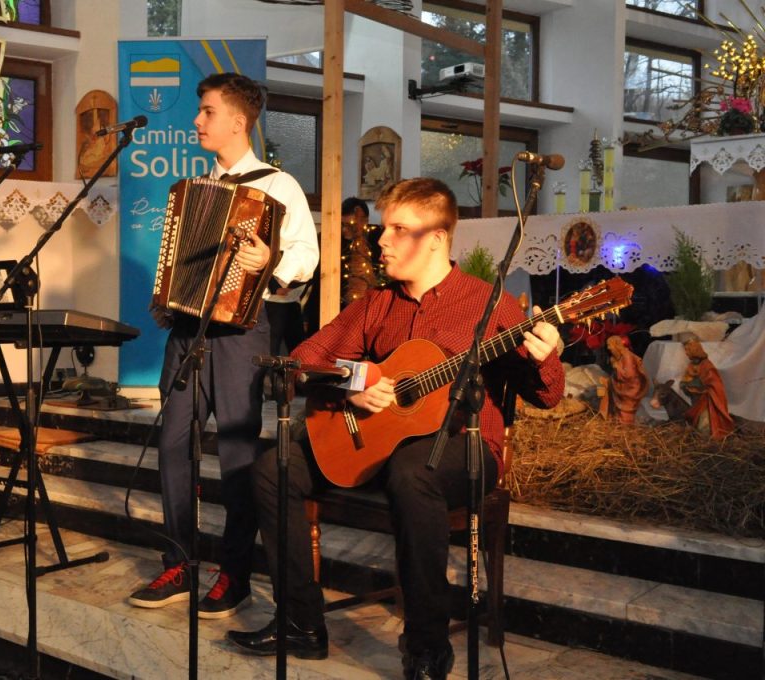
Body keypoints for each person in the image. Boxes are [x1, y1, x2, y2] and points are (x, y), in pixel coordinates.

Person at [226, 178, 564, 679]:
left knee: (413, 472)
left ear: (437, 238)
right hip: (381, 444)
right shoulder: (377, 303)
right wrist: (353, 384)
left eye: (397, 230)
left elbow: (546, 396)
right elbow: (301, 359)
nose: (380, 241)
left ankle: (426, 648)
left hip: (465, 448)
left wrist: (545, 356)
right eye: (384, 229)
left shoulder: (488, 305)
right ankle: (300, 623)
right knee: (274, 469)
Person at [129, 73, 319, 619]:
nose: (196, 121)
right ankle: (180, 562)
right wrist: (168, 292)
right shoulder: (195, 189)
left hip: (242, 333)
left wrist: (269, 261)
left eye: (207, 111)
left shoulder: (278, 186)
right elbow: (179, 256)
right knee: (173, 447)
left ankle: (234, 574)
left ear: (238, 121)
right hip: (189, 334)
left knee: (237, 455)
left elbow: (307, 256)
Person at [679, 338, 734, 439]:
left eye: (688, 350)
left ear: (695, 350)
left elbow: (715, 384)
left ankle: (706, 438)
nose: (686, 353)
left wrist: (698, 387)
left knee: (704, 426)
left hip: (706, 402)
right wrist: (684, 385)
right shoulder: (691, 365)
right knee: (691, 420)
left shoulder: (707, 365)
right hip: (695, 401)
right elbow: (685, 379)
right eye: (685, 350)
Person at [340, 196, 383, 305]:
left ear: (365, 221)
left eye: (350, 225)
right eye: (342, 224)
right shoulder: (333, 240)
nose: (344, 229)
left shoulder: (377, 238)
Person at [598, 334, 649, 424]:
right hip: (623, 384)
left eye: (610, 345)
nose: (609, 348)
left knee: (624, 408)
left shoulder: (627, 357)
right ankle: (613, 417)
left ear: (617, 345)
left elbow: (629, 375)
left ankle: (625, 422)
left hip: (631, 388)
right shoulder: (620, 357)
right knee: (607, 387)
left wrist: (616, 367)